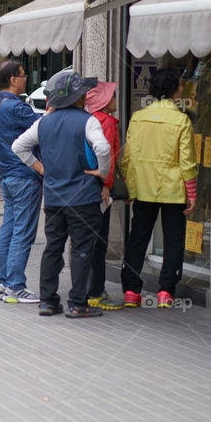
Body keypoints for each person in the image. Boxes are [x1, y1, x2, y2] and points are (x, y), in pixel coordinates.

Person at [12, 71, 111, 319]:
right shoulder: (88, 121)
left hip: (54, 198)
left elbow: (18, 146)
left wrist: (40, 168)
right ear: (78, 97)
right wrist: (102, 171)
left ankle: (48, 301)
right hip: (84, 199)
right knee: (81, 250)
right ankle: (78, 303)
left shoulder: (44, 122)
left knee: (53, 248)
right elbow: (103, 146)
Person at [120, 68, 198, 309]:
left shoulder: (138, 117)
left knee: (138, 238)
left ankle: (131, 291)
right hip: (173, 190)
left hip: (143, 188)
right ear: (176, 90)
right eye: (181, 85)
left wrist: (129, 188)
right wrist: (192, 194)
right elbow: (187, 161)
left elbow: (127, 158)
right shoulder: (181, 120)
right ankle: (166, 291)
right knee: (174, 240)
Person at [0, 59, 42, 304]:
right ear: (13, 79)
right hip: (25, 176)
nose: (25, 79)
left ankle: (3, 283)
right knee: (22, 232)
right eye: (22, 75)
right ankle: (16, 286)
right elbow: (43, 129)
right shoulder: (17, 108)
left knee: (8, 230)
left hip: (8, 176)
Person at [85, 80, 123, 311]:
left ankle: (89, 289)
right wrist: (107, 185)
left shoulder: (88, 120)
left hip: (85, 186)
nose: (117, 100)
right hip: (100, 186)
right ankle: (96, 292)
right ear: (106, 102)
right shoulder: (106, 122)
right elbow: (106, 157)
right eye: (113, 96)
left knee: (89, 241)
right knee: (99, 243)